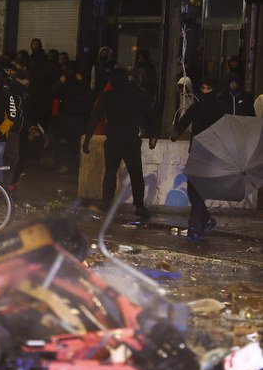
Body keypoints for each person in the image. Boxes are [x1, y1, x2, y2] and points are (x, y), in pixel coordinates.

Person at [82, 67, 156, 217]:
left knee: (110, 172)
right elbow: (150, 116)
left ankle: (106, 203)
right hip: (131, 140)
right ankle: (139, 206)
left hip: (114, 140)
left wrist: (88, 138)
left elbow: (95, 117)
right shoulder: (139, 94)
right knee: (136, 173)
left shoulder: (108, 96)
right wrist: (153, 135)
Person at [170, 78, 224, 242]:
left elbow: (223, 130)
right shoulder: (197, 107)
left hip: (209, 155)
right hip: (196, 152)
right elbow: (184, 121)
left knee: (197, 190)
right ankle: (205, 220)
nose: (205, 91)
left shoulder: (219, 108)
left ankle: (194, 227)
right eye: (203, 88)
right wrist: (175, 132)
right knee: (192, 190)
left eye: (209, 88)